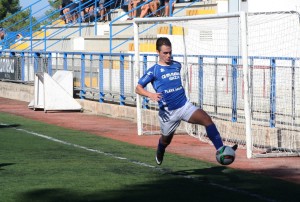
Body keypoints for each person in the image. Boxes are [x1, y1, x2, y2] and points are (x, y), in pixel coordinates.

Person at [135, 37, 237, 165]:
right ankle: (160, 149)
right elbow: (138, 88)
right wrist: (150, 94)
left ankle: (220, 149)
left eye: (170, 52)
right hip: (168, 113)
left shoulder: (177, 65)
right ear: (158, 52)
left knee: (206, 119)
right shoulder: (153, 71)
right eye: (165, 53)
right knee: (166, 140)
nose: (168, 55)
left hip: (184, 106)